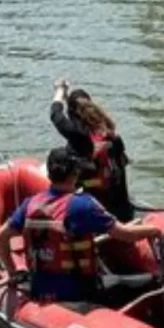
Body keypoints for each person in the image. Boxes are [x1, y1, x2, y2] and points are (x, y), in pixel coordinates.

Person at [0, 147, 161, 306]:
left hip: (40, 289)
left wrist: (12, 272)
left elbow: (0, 238)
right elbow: (125, 234)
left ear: (50, 174)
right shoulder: (83, 205)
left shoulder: (30, 205)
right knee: (153, 281)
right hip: (80, 291)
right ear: (74, 174)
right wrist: (154, 229)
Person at [48, 79, 135, 222]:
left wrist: (59, 91)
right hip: (122, 211)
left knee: (60, 158)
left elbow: (56, 115)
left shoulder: (78, 137)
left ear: (72, 114)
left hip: (95, 214)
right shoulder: (112, 136)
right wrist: (67, 95)